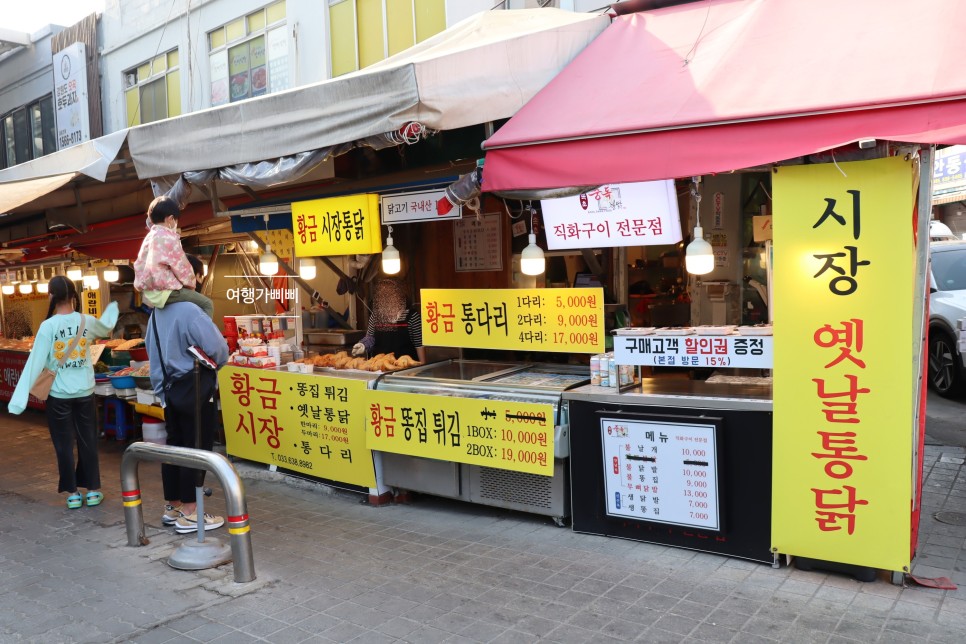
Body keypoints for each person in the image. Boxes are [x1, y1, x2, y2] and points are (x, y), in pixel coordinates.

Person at [8, 275, 119, 509]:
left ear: (51, 296)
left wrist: (17, 401)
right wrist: (112, 309)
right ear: (73, 296)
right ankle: (92, 491)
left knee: (63, 444)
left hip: (58, 396)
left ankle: (72, 494)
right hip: (85, 392)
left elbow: (34, 364)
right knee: (88, 441)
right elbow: (106, 326)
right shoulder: (86, 320)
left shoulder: (48, 326)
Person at [145, 255, 229, 534]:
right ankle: (192, 512)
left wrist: (162, 392)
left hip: (169, 392)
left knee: (175, 446)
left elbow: (153, 358)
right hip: (194, 391)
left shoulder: (156, 315)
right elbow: (219, 349)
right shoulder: (190, 311)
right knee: (197, 447)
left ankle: (174, 506)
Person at [134, 195, 214, 318]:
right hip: (167, 292)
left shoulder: (148, 238)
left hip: (149, 294)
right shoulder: (169, 237)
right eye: (176, 220)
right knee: (207, 304)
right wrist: (191, 285)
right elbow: (182, 267)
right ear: (171, 219)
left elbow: (138, 264)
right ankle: (202, 336)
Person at [351, 277, 426, 362]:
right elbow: (370, 338)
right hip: (380, 368)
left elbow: (419, 345)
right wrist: (363, 345)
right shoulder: (376, 316)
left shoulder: (412, 317)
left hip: (406, 369)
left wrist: (422, 367)